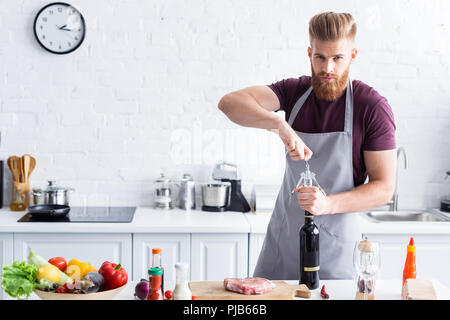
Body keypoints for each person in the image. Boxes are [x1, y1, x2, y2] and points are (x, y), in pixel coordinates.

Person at [218, 12, 397, 280]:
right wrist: (278, 125)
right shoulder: (294, 93)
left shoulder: (370, 107)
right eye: (320, 57)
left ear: (353, 55)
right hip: (283, 247)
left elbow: (384, 189)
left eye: (338, 58)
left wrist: (326, 205)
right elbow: (229, 104)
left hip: (336, 256)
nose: (328, 68)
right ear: (310, 53)